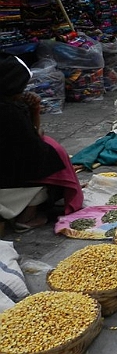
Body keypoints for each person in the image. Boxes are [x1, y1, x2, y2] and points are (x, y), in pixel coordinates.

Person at [0, 55, 83, 232]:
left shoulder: (9, 107)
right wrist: (35, 112)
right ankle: (27, 218)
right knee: (52, 167)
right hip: (7, 182)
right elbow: (35, 153)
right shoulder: (10, 115)